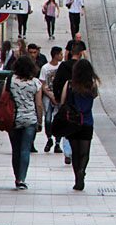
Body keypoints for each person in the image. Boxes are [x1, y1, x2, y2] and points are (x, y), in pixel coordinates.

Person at [60, 58, 99, 191]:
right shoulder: (92, 85)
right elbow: (94, 96)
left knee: (75, 152)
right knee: (85, 152)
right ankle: (82, 170)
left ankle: (77, 176)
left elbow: (62, 101)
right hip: (87, 121)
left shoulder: (69, 84)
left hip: (72, 122)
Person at [8, 55, 43, 190]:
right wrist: (40, 121)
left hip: (13, 119)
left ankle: (16, 177)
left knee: (15, 150)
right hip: (30, 119)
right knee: (25, 150)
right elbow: (39, 104)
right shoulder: (35, 83)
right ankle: (22, 178)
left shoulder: (10, 80)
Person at [54, 40, 87, 166]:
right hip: (80, 101)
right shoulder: (83, 66)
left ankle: (68, 152)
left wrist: (57, 97)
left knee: (67, 124)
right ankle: (77, 150)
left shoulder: (63, 66)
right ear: (80, 54)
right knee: (79, 124)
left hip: (66, 100)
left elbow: (57, 82)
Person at [39, 46, 64, 153]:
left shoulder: (62, 67)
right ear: (56, 55)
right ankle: (49, 139)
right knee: (48, 119)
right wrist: (50, 95)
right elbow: (42, 84)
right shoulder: (45, 68)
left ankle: (58, 143)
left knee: (59, 120)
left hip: (59, 96)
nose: (62, 56)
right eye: (61, 54)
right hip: (48, 97)